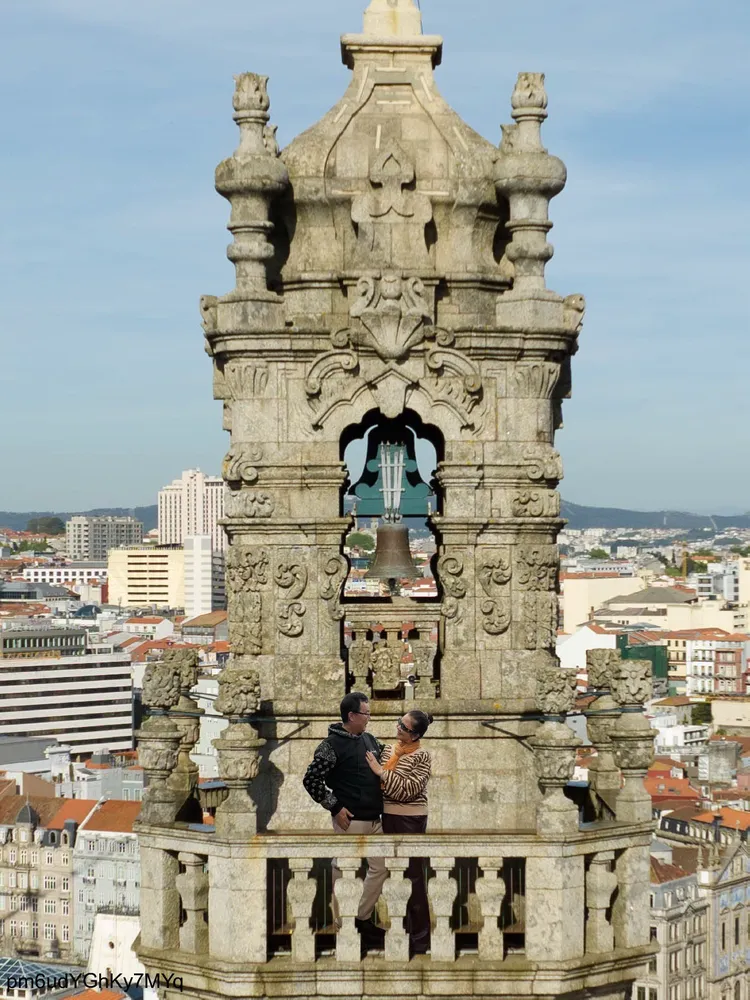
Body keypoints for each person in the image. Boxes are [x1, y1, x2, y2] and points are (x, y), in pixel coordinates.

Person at [303, 691, 387, 939]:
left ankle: (360, 918)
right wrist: (335, 807)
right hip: (350, 821)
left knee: (382, 867)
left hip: (375, 820)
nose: (369, 717)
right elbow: (311, 780)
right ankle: (344, 927)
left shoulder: (370, 740)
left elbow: (389, 762)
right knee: (344, 869)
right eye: (366, 713)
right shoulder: (330, 745)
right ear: (352, 716)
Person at [365, 709, 433, 955]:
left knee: (413, 877)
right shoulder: (388, 750)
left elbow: (408, 790)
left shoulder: (422, 756)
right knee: (396, 875)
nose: (398, 728)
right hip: (389, 817)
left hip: (411, 819)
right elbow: (378, 784)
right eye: (398, 723)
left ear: (415, 735)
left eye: (403, 727)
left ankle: (421, 938)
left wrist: (381, 773)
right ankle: (401, 931)